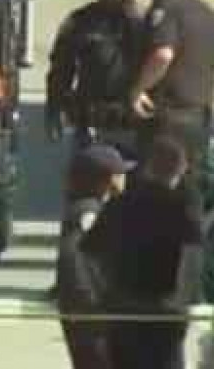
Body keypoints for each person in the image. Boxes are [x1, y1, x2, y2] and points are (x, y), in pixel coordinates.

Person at [82, 136, 203, 369]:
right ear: (181, 170)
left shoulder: (119, 205)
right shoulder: (182, 210)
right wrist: (183, 304)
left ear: (147, 168)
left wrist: (104, 291)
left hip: (123, 309)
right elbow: (191, 260)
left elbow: (90, 252)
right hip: (165, 312)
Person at [131, 0, 214, 219]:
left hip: (168, 117)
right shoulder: (208, 13)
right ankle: (189, 240)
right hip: (200, 115)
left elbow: (163, 54)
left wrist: (138, 89)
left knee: (155, 191)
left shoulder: (165, 10)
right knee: (190, 188)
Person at [46, 0, 145, 155]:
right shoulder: (79, 20)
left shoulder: (145, 22)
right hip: (90, 121)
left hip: (134, 123)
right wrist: (54, 108)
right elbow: (61, 68)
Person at [56, 144, 129, 369]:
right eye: (121, 173)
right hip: (92, 318)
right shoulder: (88, 213)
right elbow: (73, 260)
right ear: (106, 178)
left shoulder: (93, 209)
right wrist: (90, 306)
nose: (125, 178)